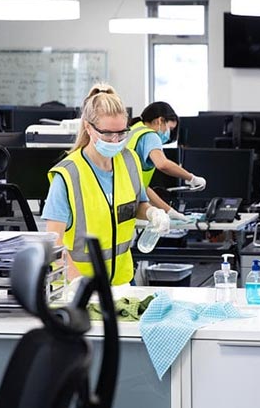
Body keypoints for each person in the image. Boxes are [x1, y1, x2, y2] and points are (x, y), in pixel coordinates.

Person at [42, 84, 171, 284]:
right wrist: (79, 284)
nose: (115, 140)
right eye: (107, 133)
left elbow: (137, 205)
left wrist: (153, 213)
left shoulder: (130, 161)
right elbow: (53, 242)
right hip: (77, 288)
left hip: (121, 282)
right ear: (88, 127)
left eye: (121, 133)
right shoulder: (68, 174)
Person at [126, 101, 207, 220]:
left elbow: (142, 186)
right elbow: (162, 164)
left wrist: (170, 211)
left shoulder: (133, 130)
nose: (169, 134)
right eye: (170, 128)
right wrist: (191, 178)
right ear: (160, 121)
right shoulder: (150, 136)